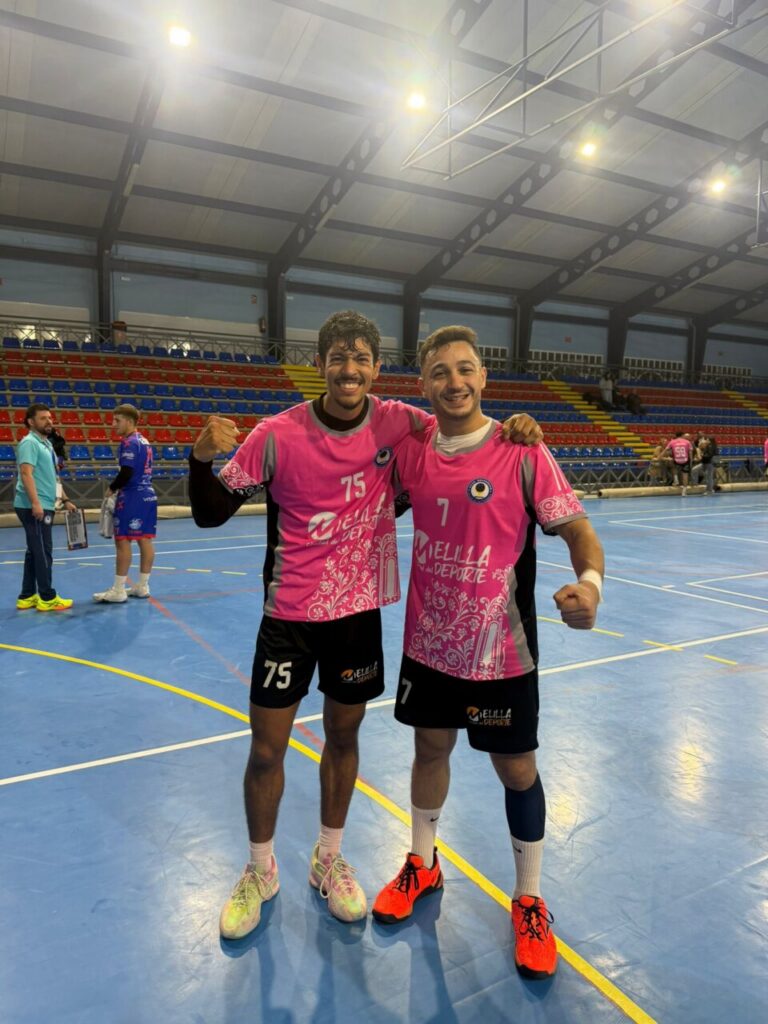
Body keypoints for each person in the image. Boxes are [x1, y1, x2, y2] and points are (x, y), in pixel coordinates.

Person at [187, 310, 543, 941]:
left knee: (344, 740)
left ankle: (329, 857)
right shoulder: (276, 434)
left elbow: (467, 426)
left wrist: (518, 426)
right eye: (336, 358)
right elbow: (212, 513)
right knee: (267, 748)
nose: (348, 370)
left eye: (361, 359)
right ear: (319, 364)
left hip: (356, 616)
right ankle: (260, 868)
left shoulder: (402, 422)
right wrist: (199, 457)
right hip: (289, 617)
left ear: (377, 368)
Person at [371, 326, 604, 983]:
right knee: (428, 750)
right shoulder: (414, 451)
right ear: (423, 386)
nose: (454, 381)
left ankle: (529, 899)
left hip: (501, 650)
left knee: (518, 770)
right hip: (429, 643)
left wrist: (589, 585)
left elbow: (579, 530)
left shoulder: (521, 450)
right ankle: (423, 861)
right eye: (440, 372)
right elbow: (366, 500)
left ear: (484, 377)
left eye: (465, 368)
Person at [14, 403, 76, 611]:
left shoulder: (47, 444)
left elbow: (52, 476)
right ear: (31, 422)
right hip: (33, 506)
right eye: (43, 418)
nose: (49, 421)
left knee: (34, 551)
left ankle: (27, 595)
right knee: (43, 551)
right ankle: (47, 597)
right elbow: (26, 474)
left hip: (46, 503)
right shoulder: (29, 443)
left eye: (50, 417)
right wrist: (36, 503)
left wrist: (65, 499)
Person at [93, 404, 157, 603]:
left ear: (129, 421)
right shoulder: (144, 441)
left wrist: (111, 488)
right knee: (145, 540)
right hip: (148, 495)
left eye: (117, 420)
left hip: (132, 496)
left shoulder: (129, 442)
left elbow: (126, 472)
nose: (113, 425)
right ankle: (142, 586)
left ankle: (119, 589)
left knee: (122, 541)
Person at [664, 431, 692, 495]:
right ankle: (684, 491)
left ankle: (676, 479)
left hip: (677, 459)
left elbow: (666, 450)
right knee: (685, 475)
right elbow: (690, 453)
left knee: (673, 467)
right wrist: (691, 461)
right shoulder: (687, 442)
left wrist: (660, 456)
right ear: (682, 435)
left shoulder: (672, 441)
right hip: (685, 459)